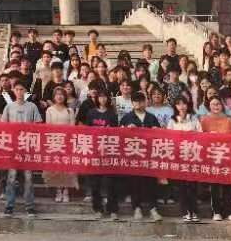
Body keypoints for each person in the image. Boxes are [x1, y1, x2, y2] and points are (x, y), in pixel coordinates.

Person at [1, 78, 43, 217]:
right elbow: (3, 126)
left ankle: (29, 206)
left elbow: (38, 124)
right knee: (11, 177)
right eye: (17, 89)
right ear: (14, 91)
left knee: (29, 177)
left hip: (28, 146)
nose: (19, 92)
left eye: (21, 89)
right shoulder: (9, 107)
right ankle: (9, 205)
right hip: (13, 147)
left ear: (25, 91)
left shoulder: (32, 107)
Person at [119, 92, 163, 221]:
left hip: (149, 155)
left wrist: (156, 130)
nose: (138, 103)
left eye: (140, 101)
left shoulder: (151, 117)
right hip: (134, 155)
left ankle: (153, 208)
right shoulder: (127, 117)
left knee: (150, 182)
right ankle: (136, 208)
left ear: (145, 102)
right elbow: (119, 136)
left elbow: (159, 135)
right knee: (135, 182)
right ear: (132, 103)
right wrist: (127, 129)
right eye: (135, 101)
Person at [200, 96, 231, 222]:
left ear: (222, 106)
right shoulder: (204, 120)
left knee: (227, 185)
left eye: (218, 104)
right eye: (213, 104)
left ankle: (229, 212)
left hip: (226, 156)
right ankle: (216, 211)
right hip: (211, 156)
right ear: (209, 106)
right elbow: (200, 138)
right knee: (214, 186)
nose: (216, 106)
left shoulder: (228, 120)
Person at [83, 90, 119, 219]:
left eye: (105, 97)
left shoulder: (112, 114)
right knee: (95, 183)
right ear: (97, 99)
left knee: (110, 183)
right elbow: (87, 131)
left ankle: (112, 209)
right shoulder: (91, 113)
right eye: (100, 97)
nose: (102, 99)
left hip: (109, 152)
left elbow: (116, 133)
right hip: (94, 152)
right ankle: (97, 208)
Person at [167, 97, 201, 222]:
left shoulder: (194, 119)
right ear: (175, 107)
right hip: (178, 156)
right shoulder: (172, 120)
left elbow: (201, 134)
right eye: (178, 104)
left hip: (192, 155)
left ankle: (194, 211)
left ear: (187, 105)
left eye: (183, 103)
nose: (181, 106)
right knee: (181, 186)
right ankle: (185, 211)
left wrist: (192, 134)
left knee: (192, 185)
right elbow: (168, 137)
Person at [44, 87, 78, 203]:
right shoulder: (49, 110)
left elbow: (72, 128)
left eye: (61, 94)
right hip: (54, 142)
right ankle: (58, 190)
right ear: (54, 97)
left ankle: (66, 191)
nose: (59, 96)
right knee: (57, 168)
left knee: (67, 168)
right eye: (57, 94)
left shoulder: (70, 111)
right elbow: (48, 127)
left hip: (67, 142)